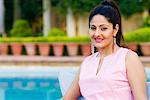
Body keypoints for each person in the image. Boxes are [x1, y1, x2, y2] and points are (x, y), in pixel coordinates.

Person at [63, 0, 147, 100]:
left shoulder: (128, 58)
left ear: (115, 30)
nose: (97, 33)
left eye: (103, 28)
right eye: (93, 28)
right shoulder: (87, 63)